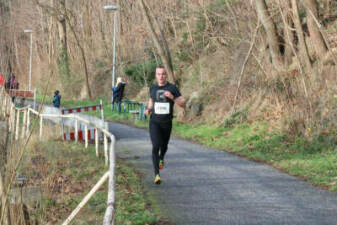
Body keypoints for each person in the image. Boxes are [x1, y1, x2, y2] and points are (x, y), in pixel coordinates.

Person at [145, 66, 186, 184]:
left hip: (167, 123)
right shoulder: (152, 88)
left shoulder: (172, 88)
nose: (161, 76)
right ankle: (156, 175)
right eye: (158, 74)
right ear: (155, 75)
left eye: (163, 74)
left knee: (164, 146)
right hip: (154, 122)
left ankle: (162, 157)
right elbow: (151, 100)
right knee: (155, 145)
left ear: (166, 75)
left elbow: (183, 104)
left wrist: (172, 97)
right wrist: (148, 109)